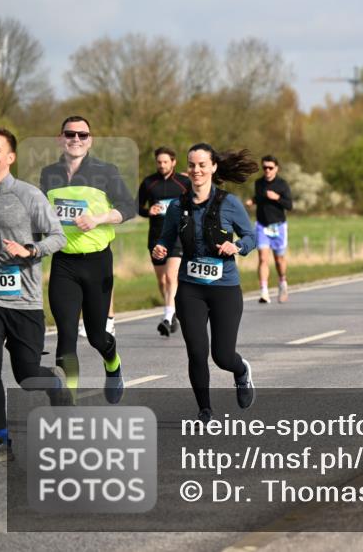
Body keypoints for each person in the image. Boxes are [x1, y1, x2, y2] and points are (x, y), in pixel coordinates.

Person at [153, 144, 257, 423]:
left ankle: (241, 371)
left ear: (213, 167)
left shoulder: (229, 203)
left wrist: (237, 247)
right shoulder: (178, 205)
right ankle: (205, 411)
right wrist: (160, 248)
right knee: (197, 352)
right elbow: (166, 237)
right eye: (192, 165)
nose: (196, 170)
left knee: (222, 356)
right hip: (190, 288)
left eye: (202, 165)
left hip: (224, 288)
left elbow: (251, 237)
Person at [0, 126, 71, 463]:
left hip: (25, 302)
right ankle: (2, 441)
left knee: (26, 375)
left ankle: (55, 385)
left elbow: (58, 237)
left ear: (10, 157)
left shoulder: (28, 195)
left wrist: (30, 250)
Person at [40, 116, 135, 403]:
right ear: (61, 138)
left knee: (96, 337)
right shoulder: (49, 174)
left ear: (90, 140)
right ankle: (67, 401)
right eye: (70, 134)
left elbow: (128, 208)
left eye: (83, 135)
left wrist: (98, 219)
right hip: (64, 263)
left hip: (97, 263)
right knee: (66, 334)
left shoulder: (106, 171)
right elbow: (41, 213)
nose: (76, 139)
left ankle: (113, 362)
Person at [138, 146, 191, 337]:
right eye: (159, 162)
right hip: (156, 237)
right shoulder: (149, 183)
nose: (162, 165)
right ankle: (173, 310)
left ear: (173, 162)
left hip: (177, 236)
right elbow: (138, 207)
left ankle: (168, 317)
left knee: (171, 277)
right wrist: (147, 211)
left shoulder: (184, 182)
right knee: (162, 281)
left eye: (165, 162)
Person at [245, 155, 293, 304]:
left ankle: (282, 281)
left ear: (276, 169)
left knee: (279, 260)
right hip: (262, 225)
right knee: (263, 258)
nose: (267, 170)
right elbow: (259, 198)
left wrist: (277, 198)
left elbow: (289, 205)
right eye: (264, 167)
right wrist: (252, 201)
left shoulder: (282, 184)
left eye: (270, 168)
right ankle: (264, 291)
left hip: (278, 226)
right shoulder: (259, 183)